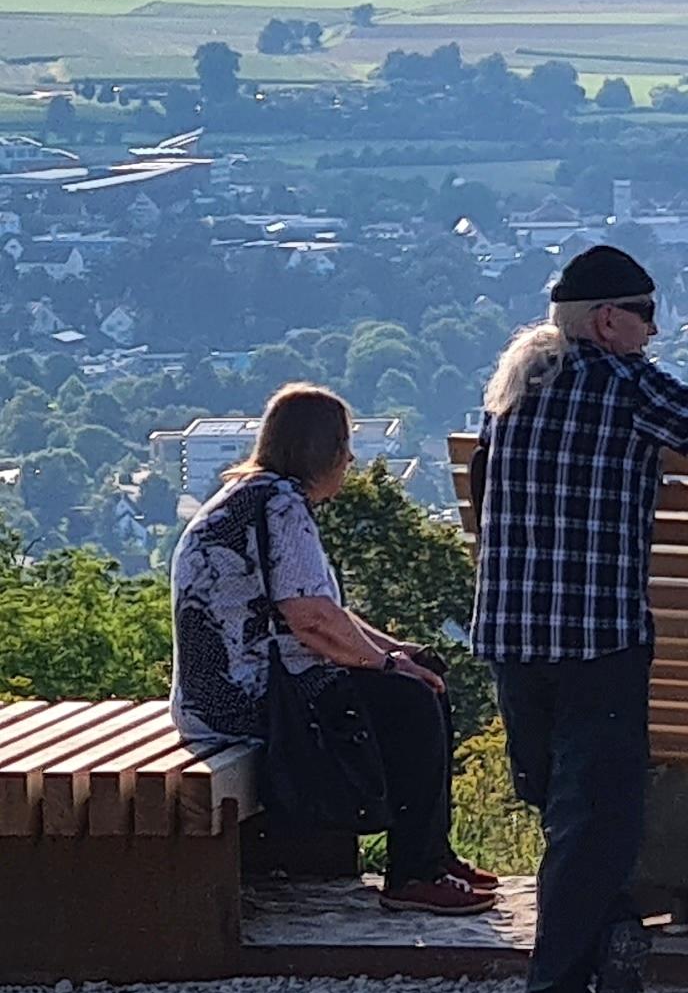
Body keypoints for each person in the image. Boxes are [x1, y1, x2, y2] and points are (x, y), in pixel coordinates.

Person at [475, 245, 688, 993]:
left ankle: (606, 927)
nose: (654, 329)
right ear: (606, 320)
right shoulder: (623, 384)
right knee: (597, 819)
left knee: (560, 811)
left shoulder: (511, 391)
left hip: (509, 632)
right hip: (597, 635)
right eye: (645, 314)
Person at [171, 386, 491, 915]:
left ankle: (431, 854)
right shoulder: (281, 507)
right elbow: (310, 622)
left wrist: (398, 653)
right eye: (344, 447)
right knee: (410, 702)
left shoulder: (255, 497)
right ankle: (413, 874)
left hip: (232, 689)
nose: (350, 460)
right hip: (246, 701)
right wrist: (389, 666)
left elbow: (317, 609)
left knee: (421, 675)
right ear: (323, 452)